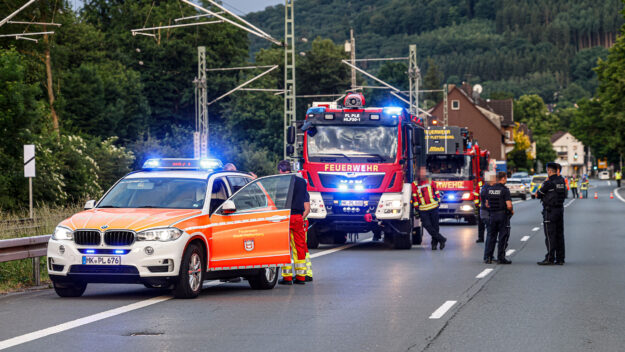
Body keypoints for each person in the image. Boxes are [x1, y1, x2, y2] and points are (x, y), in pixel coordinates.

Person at [278, 160, 312, 285]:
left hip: (284, 216)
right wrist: (301, 216)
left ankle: (287, 277)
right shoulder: (302, 182)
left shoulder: (280, 181)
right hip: (298, 216)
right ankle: (301, 277)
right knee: (299, 246)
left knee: (285, 247)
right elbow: (305, 202)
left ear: (280, 170)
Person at [537, 162, 567, 265]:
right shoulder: (562, 181)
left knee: (550, 235)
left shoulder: (549, 182)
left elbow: (539, 194)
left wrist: (544, 183)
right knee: (559, 235)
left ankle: (550, 258)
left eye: (547, 171)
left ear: (549, 171)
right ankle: (560, 258)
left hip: (549, 211)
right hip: (560, 210)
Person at [412, 167, 447, 250]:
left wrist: (438, 201)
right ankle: (441, 239)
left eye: (424, 172)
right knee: (427, 225)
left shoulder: (430, 181)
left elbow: (436, 191)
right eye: (422, 172)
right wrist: (417, 208)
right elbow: (415, 196)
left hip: (434, 207)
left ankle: (434, 244)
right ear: (418, 173)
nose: (423, 173)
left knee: (435, 227)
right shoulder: (414, 184)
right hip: (423, 209)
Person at [484, 171, 513, 264]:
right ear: (503, 178)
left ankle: (488, 257)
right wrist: (511, 211)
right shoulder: (505, 190)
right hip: (502, 215)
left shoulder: (490, 189)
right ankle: (501, 258)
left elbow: (487, 204)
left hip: (492, 215)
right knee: (502, 237)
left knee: (492, 237)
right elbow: (509, 205)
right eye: (506, 177)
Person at [477, 172, 495, 243]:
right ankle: (481, 238)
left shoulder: (492, 185)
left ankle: (492, 237)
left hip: (488, 207)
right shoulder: (481, 184)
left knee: (491, 224)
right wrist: (477, 204)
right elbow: (476, 194)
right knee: (481, 224)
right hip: (481, 206)